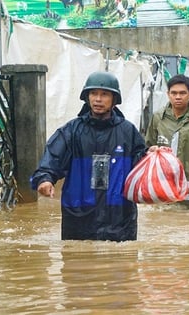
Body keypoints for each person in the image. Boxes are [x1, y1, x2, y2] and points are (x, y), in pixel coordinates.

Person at [30, 71, 147, 241]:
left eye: (104, 94)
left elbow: (141, 164)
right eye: (93, 93)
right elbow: (52, 158)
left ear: (114, 100)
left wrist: (153, 156)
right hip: (79, 218)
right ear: (87, 97)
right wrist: (45, 179)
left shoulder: (128, 132)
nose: (98, 99)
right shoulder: (71, 131)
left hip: (119, 217)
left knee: (122, 264)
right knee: (77, 263)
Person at [144, 74, 189, 209]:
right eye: (174, 93)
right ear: (168, 94)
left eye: (182, 93)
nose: (178, 97)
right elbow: (148, 146)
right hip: (162, 190)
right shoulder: (158, 118)